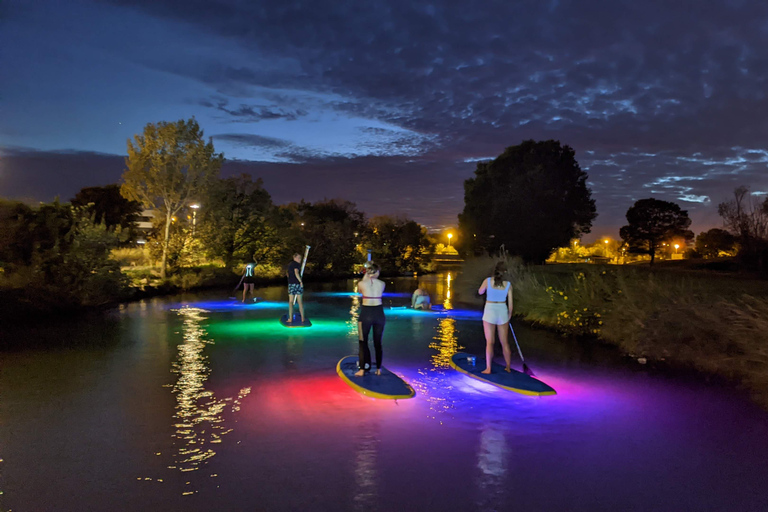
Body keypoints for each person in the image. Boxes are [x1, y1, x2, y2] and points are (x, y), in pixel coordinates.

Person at [477, 261, 513, 374]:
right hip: (502, 309)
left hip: (490, 310)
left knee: (490, 342)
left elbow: (480, 292)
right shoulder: (508, 284)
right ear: (505, 272)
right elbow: (510, 305)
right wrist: (509, 316)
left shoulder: (487, 281)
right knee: (504, 342)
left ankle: (488, 368)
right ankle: (508, 367)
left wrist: (485, 288)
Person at [355, 262, 386, 376]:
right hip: (379, 313)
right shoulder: (382, 283)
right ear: (377, 272)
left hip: (366, 313)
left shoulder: (361, 284)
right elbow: (374, 283)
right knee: (378, 343)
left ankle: (362, 370)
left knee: (363, 342)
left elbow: (360, 291)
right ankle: (378, 369)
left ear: (368, 272)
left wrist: (366, 273)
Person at [286, 252, 305, 323]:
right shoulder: (297, 264)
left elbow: (287, 274)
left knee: (291, 302)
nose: (300, 259)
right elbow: (296, 273)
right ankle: (302, 318)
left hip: (291, 284)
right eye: (298, 258)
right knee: (300, 302)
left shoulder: (289, 264)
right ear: (294, 258)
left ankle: (290, 318)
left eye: (300, 258)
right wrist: (301, 281)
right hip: (297, 284)